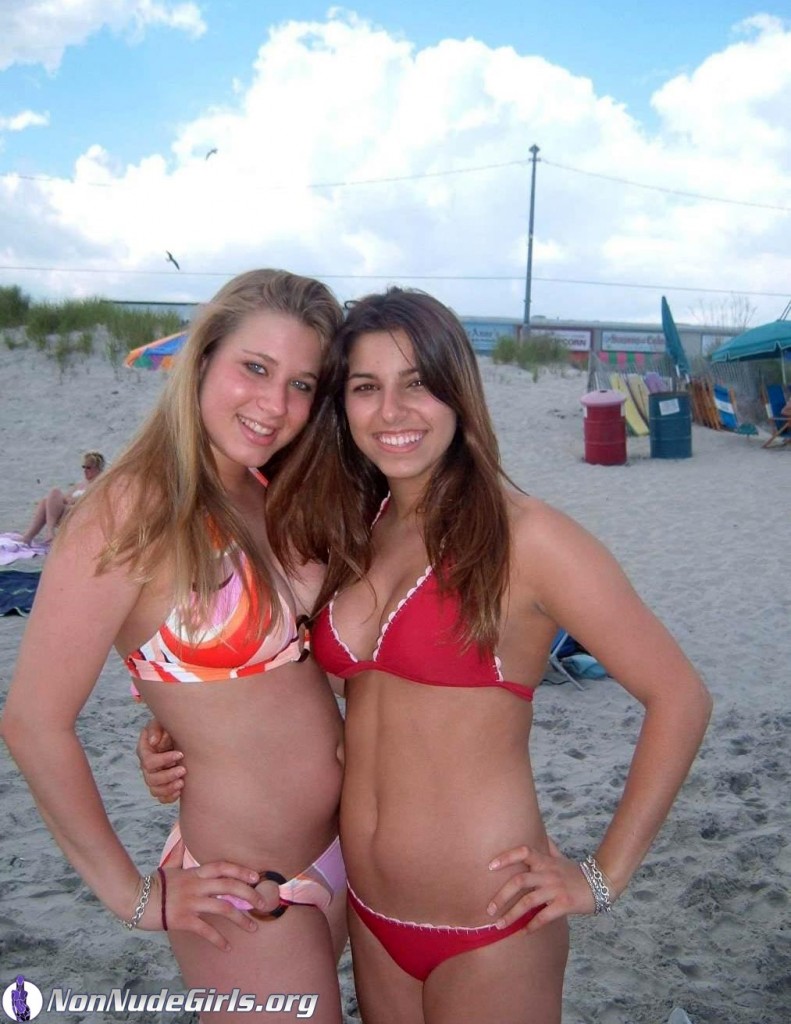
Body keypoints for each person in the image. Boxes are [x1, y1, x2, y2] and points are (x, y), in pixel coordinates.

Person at [141, 287, 712, 1023]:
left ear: (457, 392)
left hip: (489, 921)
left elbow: (679, 697)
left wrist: (602, 877)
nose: (392, 413)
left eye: (417, 384)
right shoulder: (360, 527)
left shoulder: (530, 538)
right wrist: (177, 734)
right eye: (366, 388)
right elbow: (312, 688)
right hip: (374, 917)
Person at [2, 270, 347, 1023]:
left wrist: (168, 726)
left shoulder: (267, 488)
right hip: (245, 884)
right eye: (254, 368)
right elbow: (32, 722)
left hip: (340, 851)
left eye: (300, 384)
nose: (273, 404)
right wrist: (133, 896)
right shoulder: (126, 508)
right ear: (204, 359)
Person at [18, 450, 105, 546]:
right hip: (68, 511)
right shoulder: (81, 484)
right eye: (83, 467)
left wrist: (70, 501)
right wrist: (62, 500)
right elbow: (67, 497)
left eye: (88, 468)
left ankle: (49, 532)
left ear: (98, 468)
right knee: (47, 500)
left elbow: (91, 501)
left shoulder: (100, 483)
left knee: (55, 497)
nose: (85, 470)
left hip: (81, 515)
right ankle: (28, 537)